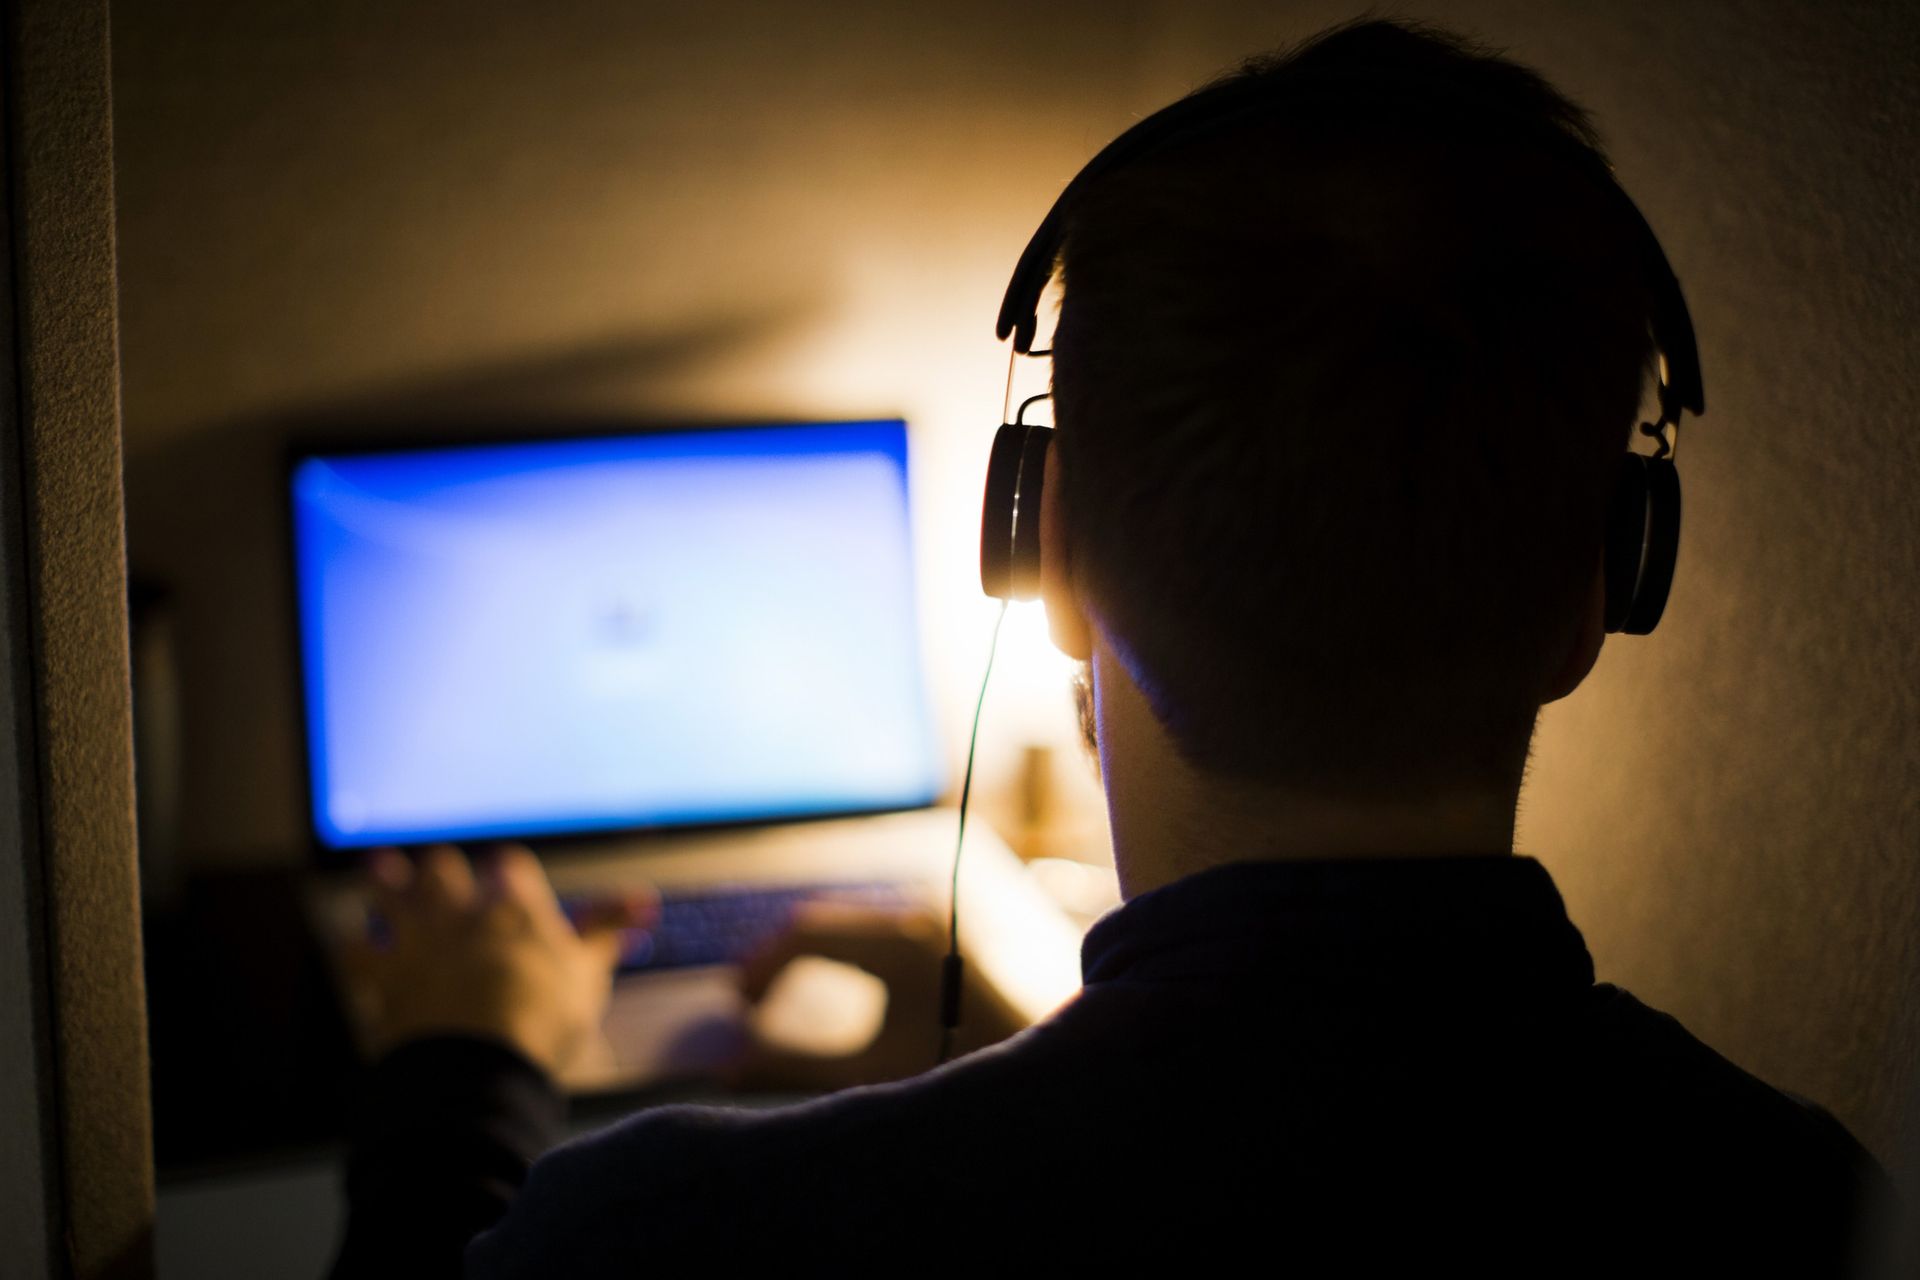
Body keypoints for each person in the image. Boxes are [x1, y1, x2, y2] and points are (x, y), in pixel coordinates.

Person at [330, 18, 1894, 1277]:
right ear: (1607, 584)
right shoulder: (1808, 1202)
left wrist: (462, 1069)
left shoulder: (668, 1242)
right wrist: (1044, 1041)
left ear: (1046, 551)